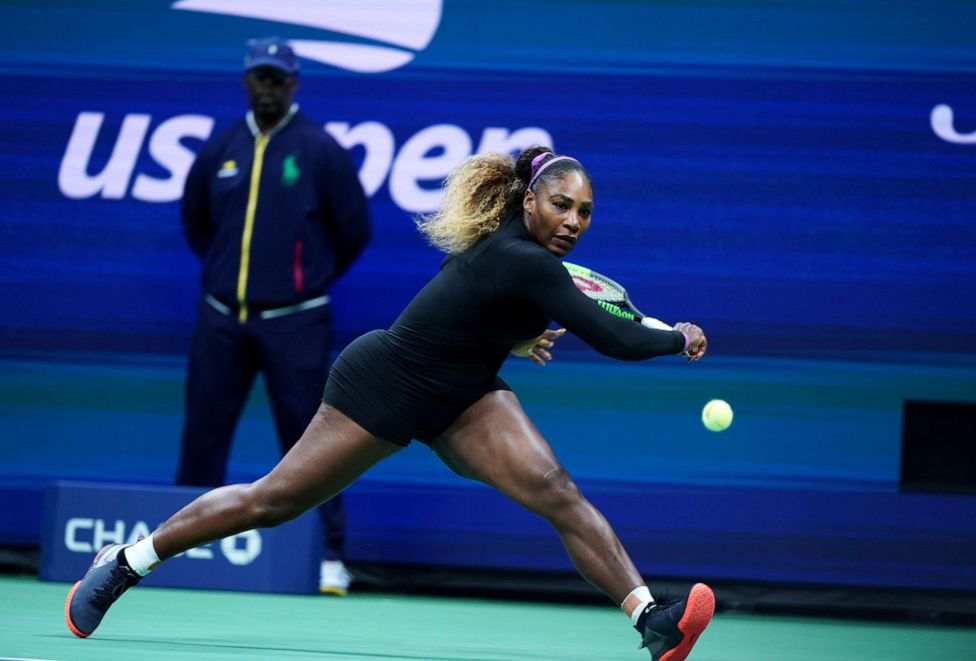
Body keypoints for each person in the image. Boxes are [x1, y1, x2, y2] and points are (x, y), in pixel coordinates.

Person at [65, 146, 714, 660]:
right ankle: (127, 560)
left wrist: (512, 338)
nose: (574, 221)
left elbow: (466, 306)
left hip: (464, 397)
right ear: (530, 200)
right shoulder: (524, 259)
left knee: (555, 488)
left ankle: (651, 618)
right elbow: (614, 336)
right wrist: (676, 335)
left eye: (586, 211)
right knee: (273, 501)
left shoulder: (516, 257)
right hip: (383, 385)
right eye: (562, 205)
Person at [176, 37, 370, 595]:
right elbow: (197, 225)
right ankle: (181, 552)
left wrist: (304, 281)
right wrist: (226, 276)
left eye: (277, 78)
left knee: (315, 443)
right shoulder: (220, 149)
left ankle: (329, 555)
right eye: (259, 77)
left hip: (296, 321)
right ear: (246, 81)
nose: (268, 86)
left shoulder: (320, 149)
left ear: (294, 83)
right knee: (202, 440)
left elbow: (353, 229)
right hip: (220, 320)